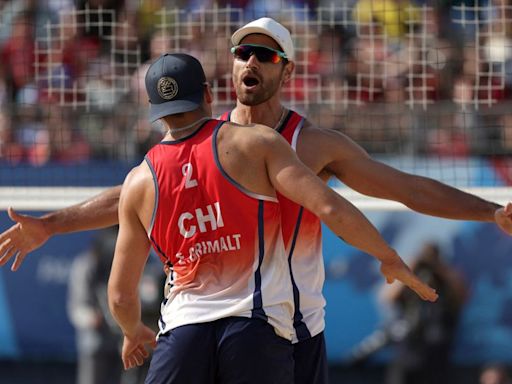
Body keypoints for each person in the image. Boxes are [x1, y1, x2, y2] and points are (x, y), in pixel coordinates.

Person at [1, 16, 512, 384]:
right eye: (243, 52)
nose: (250, 61)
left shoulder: (311, 144)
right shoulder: (206, 138)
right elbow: (128, 195)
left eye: (264, 54)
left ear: (286, 71)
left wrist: (489, 211)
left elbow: (407, 188)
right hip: (237, 325)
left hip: (299, 325)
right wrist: (50, 224)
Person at [107, 52, 436, 383]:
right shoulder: (254, 143)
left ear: (154, 111)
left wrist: (132, 329)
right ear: (208, 94)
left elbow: (120, 295)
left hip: (182, 332)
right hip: (254, 328)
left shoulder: (138, 181)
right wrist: (388, 256)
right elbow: (330, 208)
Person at [382, 242, 468, 384]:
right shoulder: (410, 278)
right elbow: (388, 298)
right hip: (408, 350)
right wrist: (408, 271)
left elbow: (462, 296)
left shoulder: (446, 277)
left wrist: (439, 268)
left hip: (437, 353)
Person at [67, 227, 123, 384]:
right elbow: (77, 306)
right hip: (94, 342)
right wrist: (91, 317)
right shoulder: (85, 266)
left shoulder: (122, 265)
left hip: (119, 341)